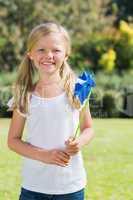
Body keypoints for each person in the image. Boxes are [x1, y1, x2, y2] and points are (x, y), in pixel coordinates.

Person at [7, 22, 94, 200]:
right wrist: (44, 155)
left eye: (56, 50)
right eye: (41, 50)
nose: (49, 55)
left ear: (66, 55)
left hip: (71, 186)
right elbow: (13, 141)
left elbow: (88, 128)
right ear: (30, 54)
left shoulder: (78, 90)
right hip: (34, 187)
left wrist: (79, 142)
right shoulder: (25, 95)